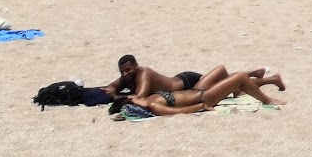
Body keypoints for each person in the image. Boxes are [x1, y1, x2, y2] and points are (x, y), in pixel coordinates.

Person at [111, 70, 284, 116]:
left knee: (221, 70)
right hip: (204, 96)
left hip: (196, 89)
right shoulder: (153, 105)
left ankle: (271, 79)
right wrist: (201, 106)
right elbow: (177, 112)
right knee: (239, 77)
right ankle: (267, 100)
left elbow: (134, 96)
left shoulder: (144, 99)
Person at [103, 54, 277, 99]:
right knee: (227, 84)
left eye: (127, 70)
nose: (125, 74)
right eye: (122, 71)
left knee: (232, 86)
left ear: (135, 66)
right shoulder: (128, 76)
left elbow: (140, 95)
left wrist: (117, 97)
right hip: (182, 80)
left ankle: (271, 79)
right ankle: (256, 73)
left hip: (188, 85)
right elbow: (112, 85)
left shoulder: (143, 73)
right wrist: (111, 88)